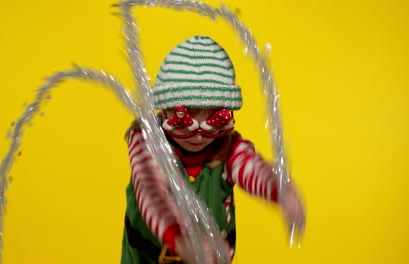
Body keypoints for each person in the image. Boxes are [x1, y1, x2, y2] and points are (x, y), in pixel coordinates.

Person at [120, 35, 304, 264]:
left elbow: (252, 168)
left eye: (216, 120)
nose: (198, 134)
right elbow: (150, 192)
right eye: (184, 120)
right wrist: (183, 241)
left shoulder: (229, 148)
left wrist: (281, 191)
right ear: (164, 109)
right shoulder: (146, 143)